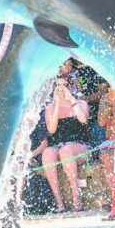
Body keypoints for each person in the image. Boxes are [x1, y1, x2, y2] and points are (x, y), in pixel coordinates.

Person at [41, 76, 90, 212]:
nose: (62, 89)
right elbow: (51, 130)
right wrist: (57, 104)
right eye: (58, 86)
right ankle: (59, 202)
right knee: (48, 153)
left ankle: (76, 198)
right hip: (59, 146)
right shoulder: (50, 108)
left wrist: (70, 99)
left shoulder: (80, 103)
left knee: (65, 151)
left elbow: (83, 119)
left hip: (80, 146)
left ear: (70, 87)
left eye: (65, 85)